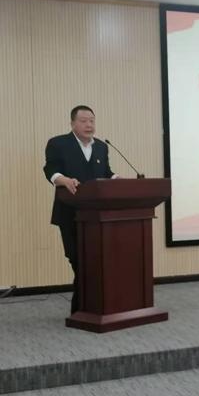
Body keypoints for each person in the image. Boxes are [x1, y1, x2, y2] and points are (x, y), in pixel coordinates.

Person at [43, 105, 117, 314]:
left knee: (93, 261)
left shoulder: (101, 146)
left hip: (97, 216)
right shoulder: (58, 143)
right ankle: (86, 308)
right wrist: (63, 180)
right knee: (77, 258)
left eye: (92, 120)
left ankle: (83, 309)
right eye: (83, 121)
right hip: (70, 212)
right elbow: (50, 169)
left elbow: (106, 172)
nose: (89, 125)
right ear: (73, 123)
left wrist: (116, 179)